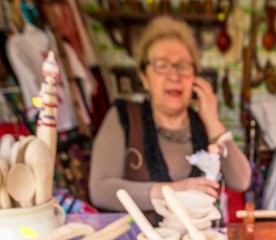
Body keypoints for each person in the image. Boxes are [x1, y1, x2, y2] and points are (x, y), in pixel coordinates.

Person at [89, 16, 251, 213]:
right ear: (144, 77)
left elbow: (241, 181)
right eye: (161, 65)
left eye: (183, 66)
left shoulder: (203, 124)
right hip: (140, 233)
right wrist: (173, 191)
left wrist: (213, 121)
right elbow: (100, 191)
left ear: (194, 77)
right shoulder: (124, 116)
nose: (174, 76)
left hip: (200, 233)